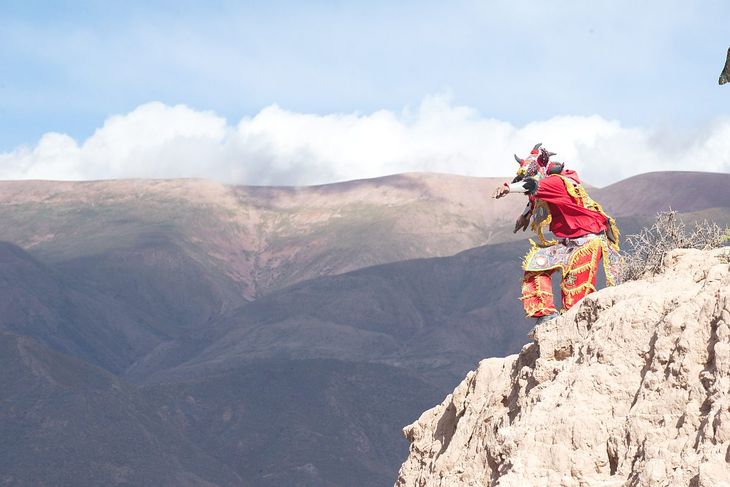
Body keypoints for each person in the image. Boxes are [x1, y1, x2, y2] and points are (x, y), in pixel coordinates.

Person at [493, 143, 621, 326]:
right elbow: (534, 197)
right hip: (569, 243)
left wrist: (508, 188)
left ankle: (577, 328)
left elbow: (532, 186)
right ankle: (545, 315)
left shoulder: (556, 182)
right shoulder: (548, 185)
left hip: (588, 241)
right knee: (536, 265)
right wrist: (525, 216)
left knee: (574, 294)